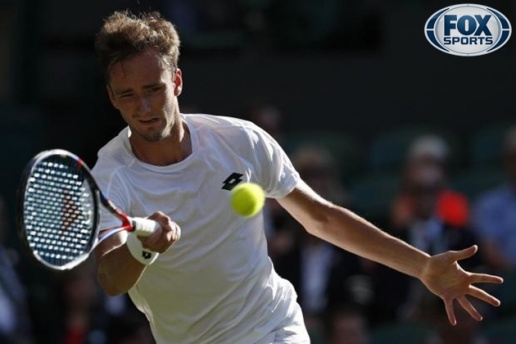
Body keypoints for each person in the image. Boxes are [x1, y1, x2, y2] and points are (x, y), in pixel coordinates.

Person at [91, 10, 502, 344]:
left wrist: (424, 267)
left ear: (176, 81)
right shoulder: (111, 177)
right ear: (111, 98)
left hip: (272, 327)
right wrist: (144, 251)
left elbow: (321, 217)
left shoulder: (241, 141)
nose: (144, 107)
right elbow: (111, 278)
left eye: (154, 89)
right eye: (128, 95)